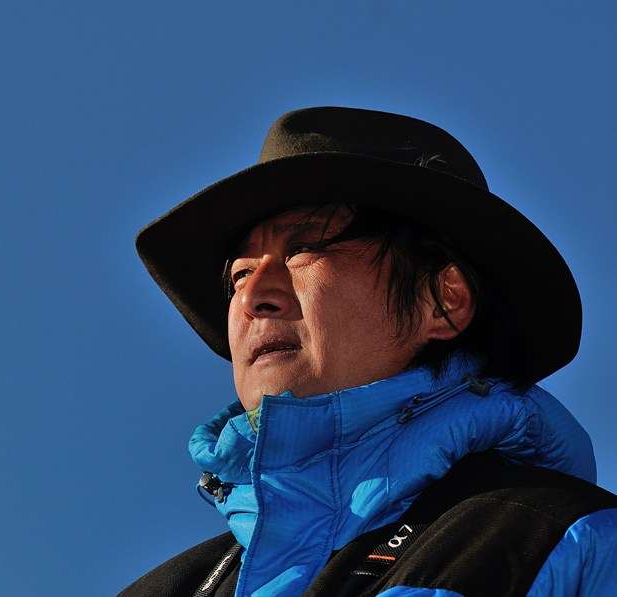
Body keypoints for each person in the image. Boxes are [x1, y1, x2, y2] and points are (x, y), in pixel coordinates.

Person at [119, 107, 617, 596]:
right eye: (240, 275)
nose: (253, 297)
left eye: (304, 249)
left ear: (442, 300)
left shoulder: (566, 544)